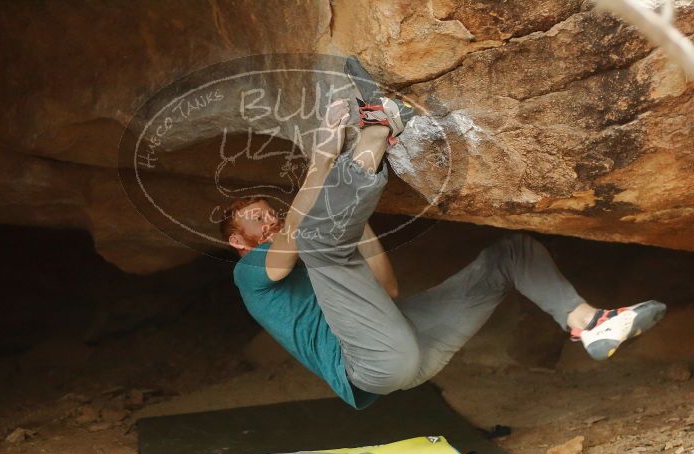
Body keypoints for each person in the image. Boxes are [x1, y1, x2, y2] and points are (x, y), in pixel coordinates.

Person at [220, 90, 667, 410]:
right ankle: (378, 129)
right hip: (371, 365)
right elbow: (301, 233)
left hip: (408, 347)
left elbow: (388, 288)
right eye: (254, 219)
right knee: (319, 235)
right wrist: (322, 159)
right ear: (237, 241)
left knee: (510, 254)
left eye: (268, 210)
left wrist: (352, 219)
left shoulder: (315, 252)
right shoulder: (250, 275)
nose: (268, 219)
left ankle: (588, 323)